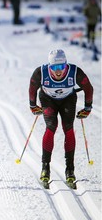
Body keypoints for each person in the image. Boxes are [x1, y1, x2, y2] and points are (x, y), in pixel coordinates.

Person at [28, 49, 93, 186]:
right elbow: (32, 87)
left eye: (61, 67)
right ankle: (45, 168)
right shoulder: (40, 72)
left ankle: (70, 170)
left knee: (68, 128)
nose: (58, 71)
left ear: (66, 65)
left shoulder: (75, 72)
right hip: (47, 100)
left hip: (68, 99)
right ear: (49, 66)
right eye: (54, 67)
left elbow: (88, 88)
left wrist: (87, 108)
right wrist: (33, 105)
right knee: (51, 126)